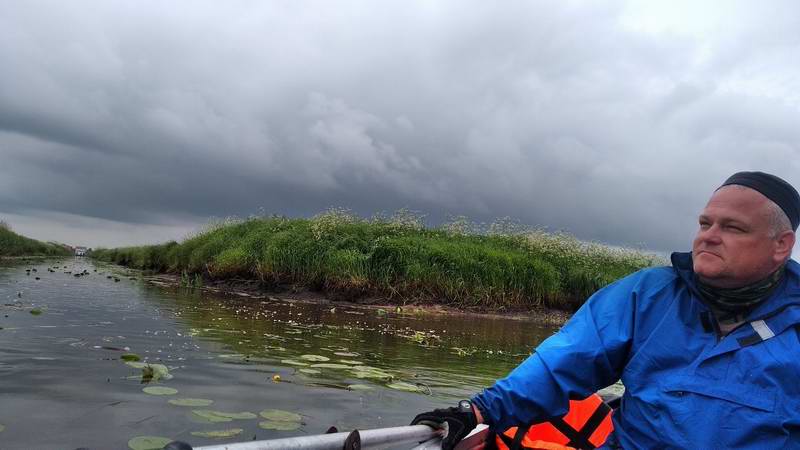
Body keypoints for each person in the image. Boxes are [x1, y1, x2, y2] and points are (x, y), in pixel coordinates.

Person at [412, 171, 800, 449]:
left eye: (733, 228)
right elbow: (562, 364)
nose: (708, 236)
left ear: (780, 245)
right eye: (705, 223)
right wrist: (478, 411)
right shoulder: (647, 295)